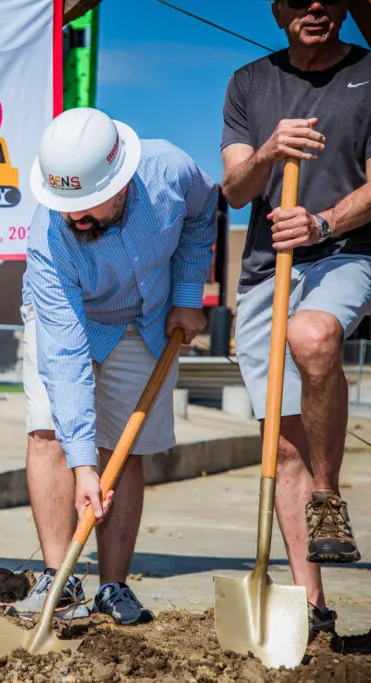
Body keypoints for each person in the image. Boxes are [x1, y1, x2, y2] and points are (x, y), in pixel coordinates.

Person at [14, 107, 216, 625]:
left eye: (85, 206)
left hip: (143, 319)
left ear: (122, 182)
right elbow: (65, 361)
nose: (73, 216)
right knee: (50, 433)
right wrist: (83, 467)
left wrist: (190, 293)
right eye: (64, 204)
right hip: (67, 317)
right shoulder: (49, 242)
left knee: (124, 447)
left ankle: (112, 586)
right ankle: (59, 583)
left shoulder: (170, 169)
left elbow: (202, 213)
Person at [220, 0, 371, 635]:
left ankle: (327, 495)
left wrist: (323, 221)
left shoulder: (368, 74)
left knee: (314, 334)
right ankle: (311, 606)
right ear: (277, 8)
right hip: (265, 269)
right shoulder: (249, 82)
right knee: (282, 447)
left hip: (342, 250)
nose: (314, 7)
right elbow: (233, 190)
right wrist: (269, 152)